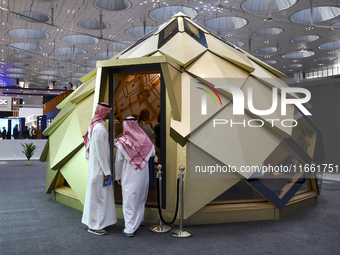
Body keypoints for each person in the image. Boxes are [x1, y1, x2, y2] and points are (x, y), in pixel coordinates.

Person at [115, 117, 155, 237]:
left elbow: (119, 161)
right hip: (143, 175)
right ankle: (139, 220)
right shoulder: (145, 140)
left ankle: (130, 228)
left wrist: (117, 176)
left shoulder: (123, 142)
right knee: (141, 198)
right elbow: (153, 153)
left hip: (129, 175)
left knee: (129, 200)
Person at [81, 102, 117, 236]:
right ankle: (95, 226)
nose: (109, 113)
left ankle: (96, 223)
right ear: (104, 112)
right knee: (99, 198)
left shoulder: (96, 126)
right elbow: (101, 153)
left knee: (97, 197)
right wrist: (107, 172)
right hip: (99, 171)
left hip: (96, 169)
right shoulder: (99, 128)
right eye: (108, 111)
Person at [138, 109, 156, 187]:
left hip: (141, 148)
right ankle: (150, 182)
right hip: (149, 148)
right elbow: (153, 136)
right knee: (150, 166)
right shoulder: (149, 125)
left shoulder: (139, 125)